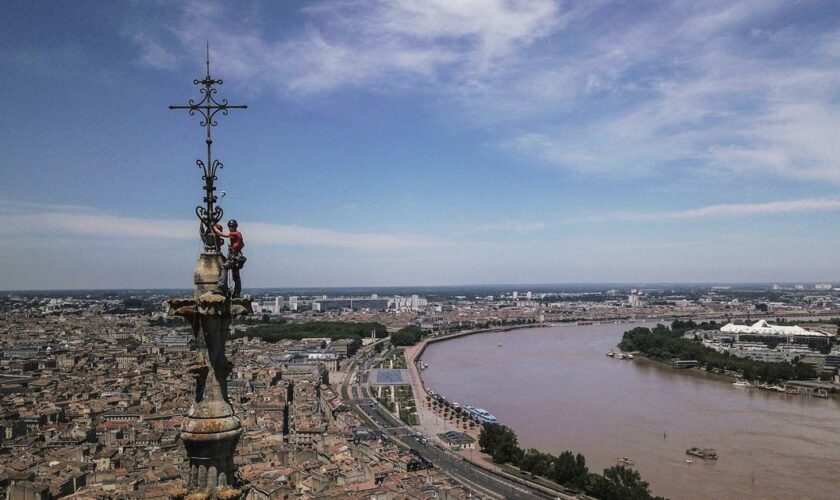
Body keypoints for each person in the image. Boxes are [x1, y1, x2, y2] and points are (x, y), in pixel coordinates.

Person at [213, 219, 245, 297]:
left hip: (234, 257)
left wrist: (214, 228)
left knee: (224, 267)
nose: (231, 228)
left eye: (232, 226)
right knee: (235, 275)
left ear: (235, 227)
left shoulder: (234, 233)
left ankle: (221, 287)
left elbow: (221, 234)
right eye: (230, 226)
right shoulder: (239, 234)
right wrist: (235, 247)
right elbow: (242, 244)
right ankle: (236, 293)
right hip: (236, 256)